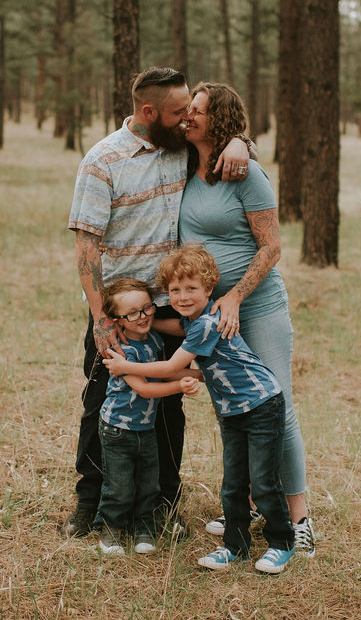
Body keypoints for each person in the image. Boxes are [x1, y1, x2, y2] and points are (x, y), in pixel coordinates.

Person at [64, 66, 252, 539]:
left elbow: (221, 140)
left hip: (172, 308)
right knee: (102, 401)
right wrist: (100, 318)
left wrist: (241, 143)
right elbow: (86, 248)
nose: (188, 118)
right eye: (177, 111)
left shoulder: (181, 147)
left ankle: (164, 503)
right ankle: (90, 503)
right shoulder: (102, 161)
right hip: (119, 312)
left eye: (191, 109)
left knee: (170, 408)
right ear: (148, 112)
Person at [179, 82, 315, 557]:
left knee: (277, 406)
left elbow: (272, 246)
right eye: (188, 110)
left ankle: (299, 519)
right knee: (232, 408)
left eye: (197, 111)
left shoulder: (246, 173)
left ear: (219, 121)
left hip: (255, 307)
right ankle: (255, 501)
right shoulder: (184, 166)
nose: (188, 117)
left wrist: (235, 295)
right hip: (211, 316)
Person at [104, 245, 296, 574]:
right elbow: (179, 328)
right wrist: (148, 326)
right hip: (233, 411)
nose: (182, 296)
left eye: (192, 288)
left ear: (209, 289)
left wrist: (124, 366)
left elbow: (173, 365)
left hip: (262, 404)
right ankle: (235, 547)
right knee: (233, 483)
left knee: (262, 481)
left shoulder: (206, 325)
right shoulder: (194, 322)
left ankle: (282, 542)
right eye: (175, 290)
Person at [95, 278, 202, 556]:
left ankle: (144, 528)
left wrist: (201, 375)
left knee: (148, 483)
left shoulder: (154, 340)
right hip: (118, 430)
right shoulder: (118, 352)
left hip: (146, 428)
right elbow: (144, 387)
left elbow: (165, 370)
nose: (142, 317)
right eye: (132, 313)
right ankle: (111, 530)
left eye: (146, 309)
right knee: (118, 486)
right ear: (117, 320)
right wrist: (180, 386)